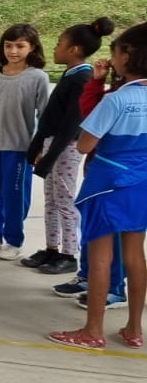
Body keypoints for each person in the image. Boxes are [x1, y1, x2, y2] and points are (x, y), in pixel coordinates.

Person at [49, 24, 147, 350]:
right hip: (141, 184)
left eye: (117, 51)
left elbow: (84, 145)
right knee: (135, 255)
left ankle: (93, 330)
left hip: (107, 184)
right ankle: (134, 328)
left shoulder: (117, 100)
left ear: (127, 56)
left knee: (101, 256)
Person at [23, 18, 111, 278]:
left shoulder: (82, 78)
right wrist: (38, 145)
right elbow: (52, 118)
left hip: (66, 148)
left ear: (74, 50)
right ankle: (52, 248)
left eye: (60, 43)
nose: (55, 47)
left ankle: (68, 254)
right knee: (51, 200)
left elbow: (71, 124)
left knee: (64, 202)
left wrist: (50, 156)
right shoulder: (71, 74)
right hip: (53, 144)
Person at [53, 55, 127, 309]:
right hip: (101, 172)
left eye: (117, 54)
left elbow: (87, 140)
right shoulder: (116, 92)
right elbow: (91, 114)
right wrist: (97, 83)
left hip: (121, 177)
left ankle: (115, 287)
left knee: (115, 234)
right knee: (95, 228)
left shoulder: (127, 97)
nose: (111, 59)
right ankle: (89, 275)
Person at [0, 24, 50, 261]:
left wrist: (39, 148)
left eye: (20, 46)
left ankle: (14, 241)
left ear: (32, 47)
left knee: (14, 196)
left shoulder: (37, 77)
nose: (13, 51)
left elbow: (44, 115)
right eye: (8, 45)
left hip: (19, 150)